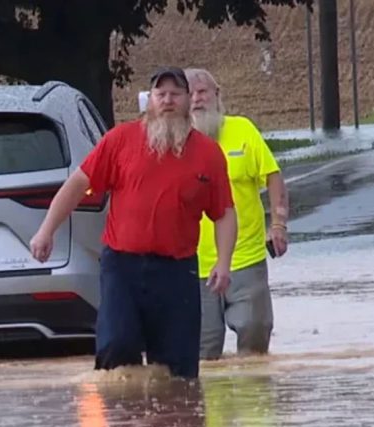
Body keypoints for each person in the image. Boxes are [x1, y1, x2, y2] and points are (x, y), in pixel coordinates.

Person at [29, 67, 237, 379]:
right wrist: (46, 231)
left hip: (177, 271)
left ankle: (174, 423)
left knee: (178, 370)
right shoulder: (120, 140)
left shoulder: (208, 154)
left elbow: (224, 213)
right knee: (117, 350)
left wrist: (223, 262)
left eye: (175, 94)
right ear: (150, 100)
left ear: (187, 100)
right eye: (160, 93)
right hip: (122, 268)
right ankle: (124, 425)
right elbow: (77, 185)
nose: (167, 100)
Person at [184, 68, 290, 360]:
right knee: (202, 356)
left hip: (246, 257)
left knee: (254, 340)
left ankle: (253, 402)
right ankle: (210, 407)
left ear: (218, 95)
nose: (196, 99)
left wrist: (278, 224)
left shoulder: (243, 129)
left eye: (203, 91)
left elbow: (273, 176)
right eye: (189, 93)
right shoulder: (172, 142)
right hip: (193, 266)